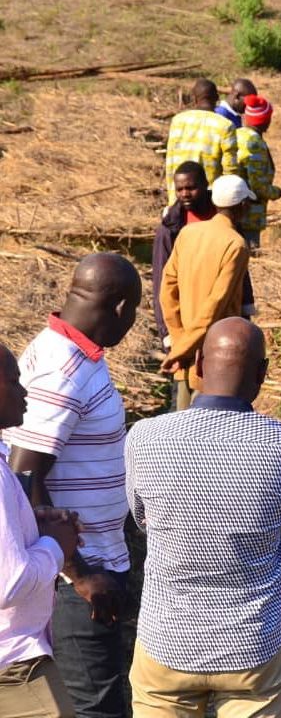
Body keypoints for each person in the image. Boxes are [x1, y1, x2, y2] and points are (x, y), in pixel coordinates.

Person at [126, 318, 281, 716]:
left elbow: (143, 520)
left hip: (167, 640)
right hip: (254, 643)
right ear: (262, 374)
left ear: (197, 364)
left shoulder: (144, 437)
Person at [6, 253, 142, 718]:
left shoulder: (69, 352)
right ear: (123, 308)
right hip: (72, 582)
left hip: (84, 564)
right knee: (95, 707)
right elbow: (24, 473)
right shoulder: (65, 370)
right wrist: (81, 573)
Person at [0, 343, 82, 718]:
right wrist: (56, 546)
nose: (24, 391)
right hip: (14, 670)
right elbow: (9, 582)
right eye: (14, 381)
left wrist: (31, 527)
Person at [160, 174, 253, 410]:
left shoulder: (189, 233)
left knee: (180, 420)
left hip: (185, 347)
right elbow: (216, 304)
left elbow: (167, 289)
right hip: (214, 351)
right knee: (205, 421)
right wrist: (181, 350)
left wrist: (179, 339)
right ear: (242, 206)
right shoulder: (236, 244)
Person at [152, 162, 255, 350]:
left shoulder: (226, 215)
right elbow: (163, 281)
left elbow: (239, 273)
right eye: (180, 189)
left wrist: (246, 310)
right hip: (188, 311)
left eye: (191, 188)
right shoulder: (172, 228)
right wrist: (168, 335)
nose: (185, 194)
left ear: (205, 184)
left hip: (222, 320)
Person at [165, 78, 238, 204]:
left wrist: (172, 200)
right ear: (217, 98)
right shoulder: (225, 126)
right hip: (208, 201)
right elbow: (230, 171)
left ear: (194, 98)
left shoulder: (178, 121)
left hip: (179, 198)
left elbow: (170, 161)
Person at [236, 94, 281, 251]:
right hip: (250, 213)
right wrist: (275, 193)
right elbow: (257, 185)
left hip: (234, 209)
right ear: (265, 120)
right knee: (249, 254)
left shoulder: (237, 134)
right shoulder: (254, 143)